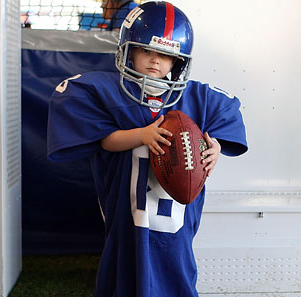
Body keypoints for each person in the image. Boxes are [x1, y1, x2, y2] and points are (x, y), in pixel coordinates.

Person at [47, 2, 248, 296]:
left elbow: (213, 137)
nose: (155, 61)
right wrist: (142, 134)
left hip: (174, 227)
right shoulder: (104, 91)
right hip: (126, 220)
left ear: (178, 61)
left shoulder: (198, 99)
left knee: (176, 273)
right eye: (146, 51)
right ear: (128, 50)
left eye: (165, 55)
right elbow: (105, 141)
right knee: (122, 275)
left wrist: (213, 148)